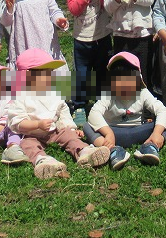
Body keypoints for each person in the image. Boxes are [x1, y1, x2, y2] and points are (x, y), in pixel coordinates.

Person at [6, 49, 110, 179]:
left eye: (51, 73)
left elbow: (63, 112)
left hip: (54, 132)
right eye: (46, 74)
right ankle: (43, 160)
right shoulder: (20, 96)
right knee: (27, 145)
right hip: (31, 134)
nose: (50, 77)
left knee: (69, 136)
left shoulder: (53, 92)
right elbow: (17, 122)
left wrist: (71, 128)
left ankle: (84, 151)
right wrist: (37, 124)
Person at [84, 52, 166, 170]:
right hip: (114, 134)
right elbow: (94, 113)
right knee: (87, 126)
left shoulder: (142, 93)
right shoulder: (109, 95)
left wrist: (156, 133)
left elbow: (162, 110)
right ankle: (112, 150)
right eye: (118, 81)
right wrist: (108, 133)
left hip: (139, 131)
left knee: (165, 123)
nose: (124, 86)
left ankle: (150, 146)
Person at [65, 0, 112, 119]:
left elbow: (108, 6)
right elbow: (74, 10)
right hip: (82, 39)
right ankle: (79, 105)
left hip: (103, 36)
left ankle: (102, 104)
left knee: (102, 73)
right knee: (81, 75)